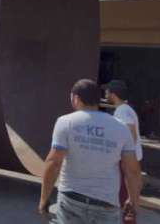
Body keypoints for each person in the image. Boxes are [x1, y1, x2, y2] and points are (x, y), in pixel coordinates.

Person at [39, 79, 142, 223]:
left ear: (75, 98)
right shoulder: (121, 128)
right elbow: (132, 171)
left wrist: (44, 199)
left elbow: (54, 162)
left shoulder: (66, 122)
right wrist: (133, 201)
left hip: (71, 198)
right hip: (106, 203)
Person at [105, 80, 143, 223]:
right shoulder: (125, 109)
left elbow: (131, 134)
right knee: (128, 197)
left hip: (127, 160)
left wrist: (121, 155)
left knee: (125, 198)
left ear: (113, 94)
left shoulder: (122, 111)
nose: (105, 93)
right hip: (130, 158)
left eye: (107, 91)